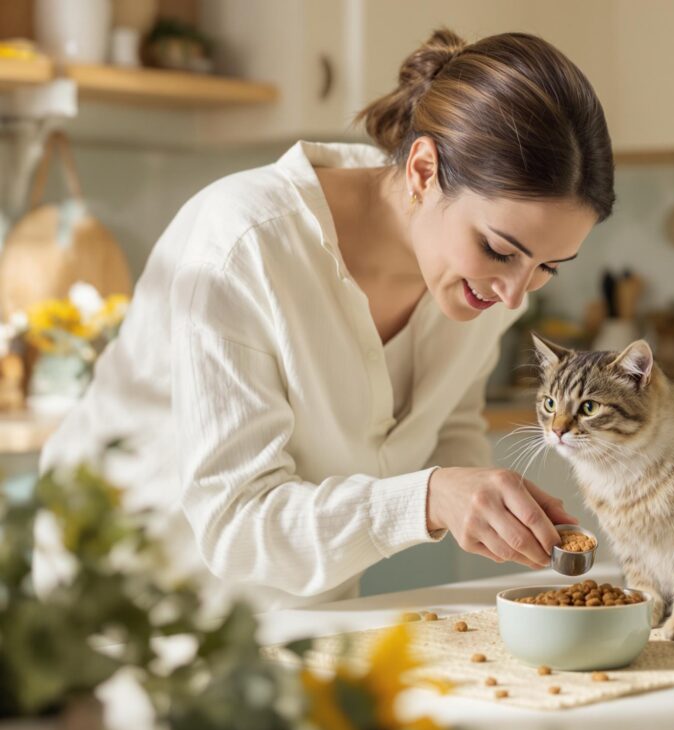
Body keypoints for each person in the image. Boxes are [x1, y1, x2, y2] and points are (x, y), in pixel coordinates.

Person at [40, 28, 615, 610]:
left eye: (549, 267)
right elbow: (236, 526)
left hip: (308, 619)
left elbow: (448, 425)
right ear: (422, 171)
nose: (516, 295)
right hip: (127, 610)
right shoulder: (245, 243)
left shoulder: (480, 291)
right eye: (499, 249)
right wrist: (432, 498)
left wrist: (488, 498)